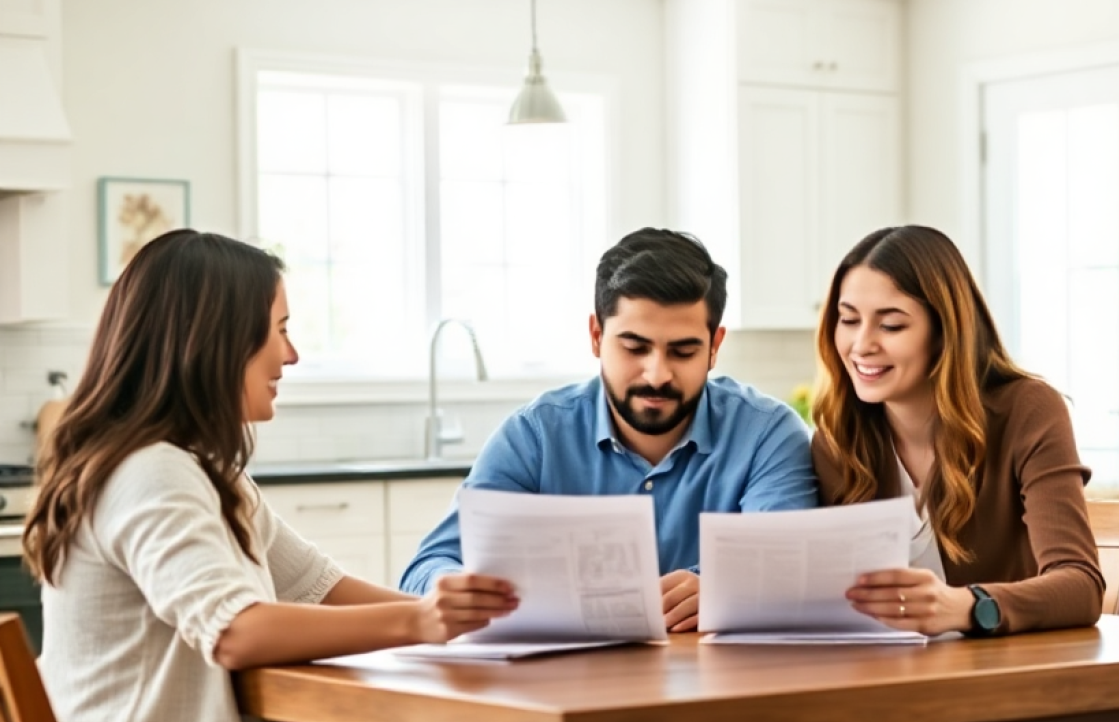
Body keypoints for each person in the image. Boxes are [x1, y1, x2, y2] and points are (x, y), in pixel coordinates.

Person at [22, 230, 517, 722]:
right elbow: (235, 632)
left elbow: (321, 586)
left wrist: (474, 624)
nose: (292, 354)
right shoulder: (151, 470)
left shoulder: (209, 475)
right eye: (280, 329)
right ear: (218, 339)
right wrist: (421, 619)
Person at [400, 227, 818, 632]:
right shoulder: (536, 435)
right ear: (597, 336)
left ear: (714, 346)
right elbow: (429, 566)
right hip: (563, 686)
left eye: (683, 350)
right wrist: (457, 590)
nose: (657, 374)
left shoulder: (769, 433)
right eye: (634, 348)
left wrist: (725, 588)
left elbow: (786, 561)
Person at [810, 225, 1104, 637]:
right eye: (848, 320)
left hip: (1006, 677)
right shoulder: (839, 435)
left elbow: (1081, 586)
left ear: (944, 331)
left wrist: (967, 606)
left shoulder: (1028, 410)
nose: (861, 345)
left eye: (891, 326)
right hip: (882, 678)